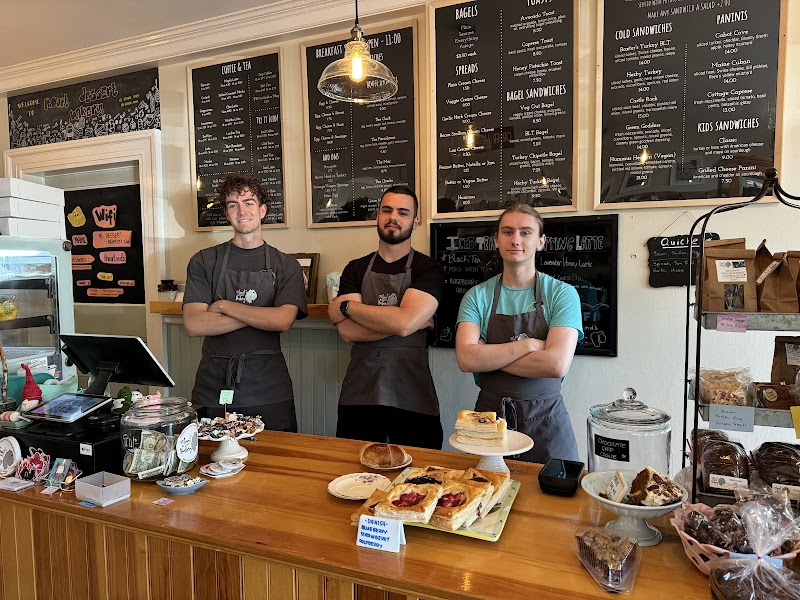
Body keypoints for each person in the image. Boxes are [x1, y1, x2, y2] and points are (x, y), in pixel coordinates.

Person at [455, 202, 583, 463]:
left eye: (525, 232)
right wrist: (529, 346)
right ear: (496, 240)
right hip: (488, 420)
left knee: (553, 500)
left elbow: (556, 364)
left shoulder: (562, 294)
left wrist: (488, 356)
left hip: (546, 420)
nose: (516, 240)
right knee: (484, 498)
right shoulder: (477, 296)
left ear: (540, 241)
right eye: (507, 231)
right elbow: (467, 360)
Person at [183, 173, 307, 431]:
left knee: (275, 462)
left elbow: (283, 320)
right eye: (233, 204)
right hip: (214, 384)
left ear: (262, 210)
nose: (242, 211)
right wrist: (262, 315)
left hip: (269, 387)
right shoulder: (204, 261)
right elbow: (195, 324)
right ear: (227, 214)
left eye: (249, 203)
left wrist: (225, 306)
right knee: (212, 461)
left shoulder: (286, 265)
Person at [328, 185, 445, 449]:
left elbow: (404, 323)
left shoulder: (429, 268)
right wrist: (408, 322)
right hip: (360, 391)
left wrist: (348, 308)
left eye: (403, 212)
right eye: (387, 210)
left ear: (415, 220)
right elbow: (348, 332)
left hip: (411, 390)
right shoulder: (355, 268)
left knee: (419, 475)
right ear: (377, 215)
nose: (393, 217)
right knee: (355, 473)